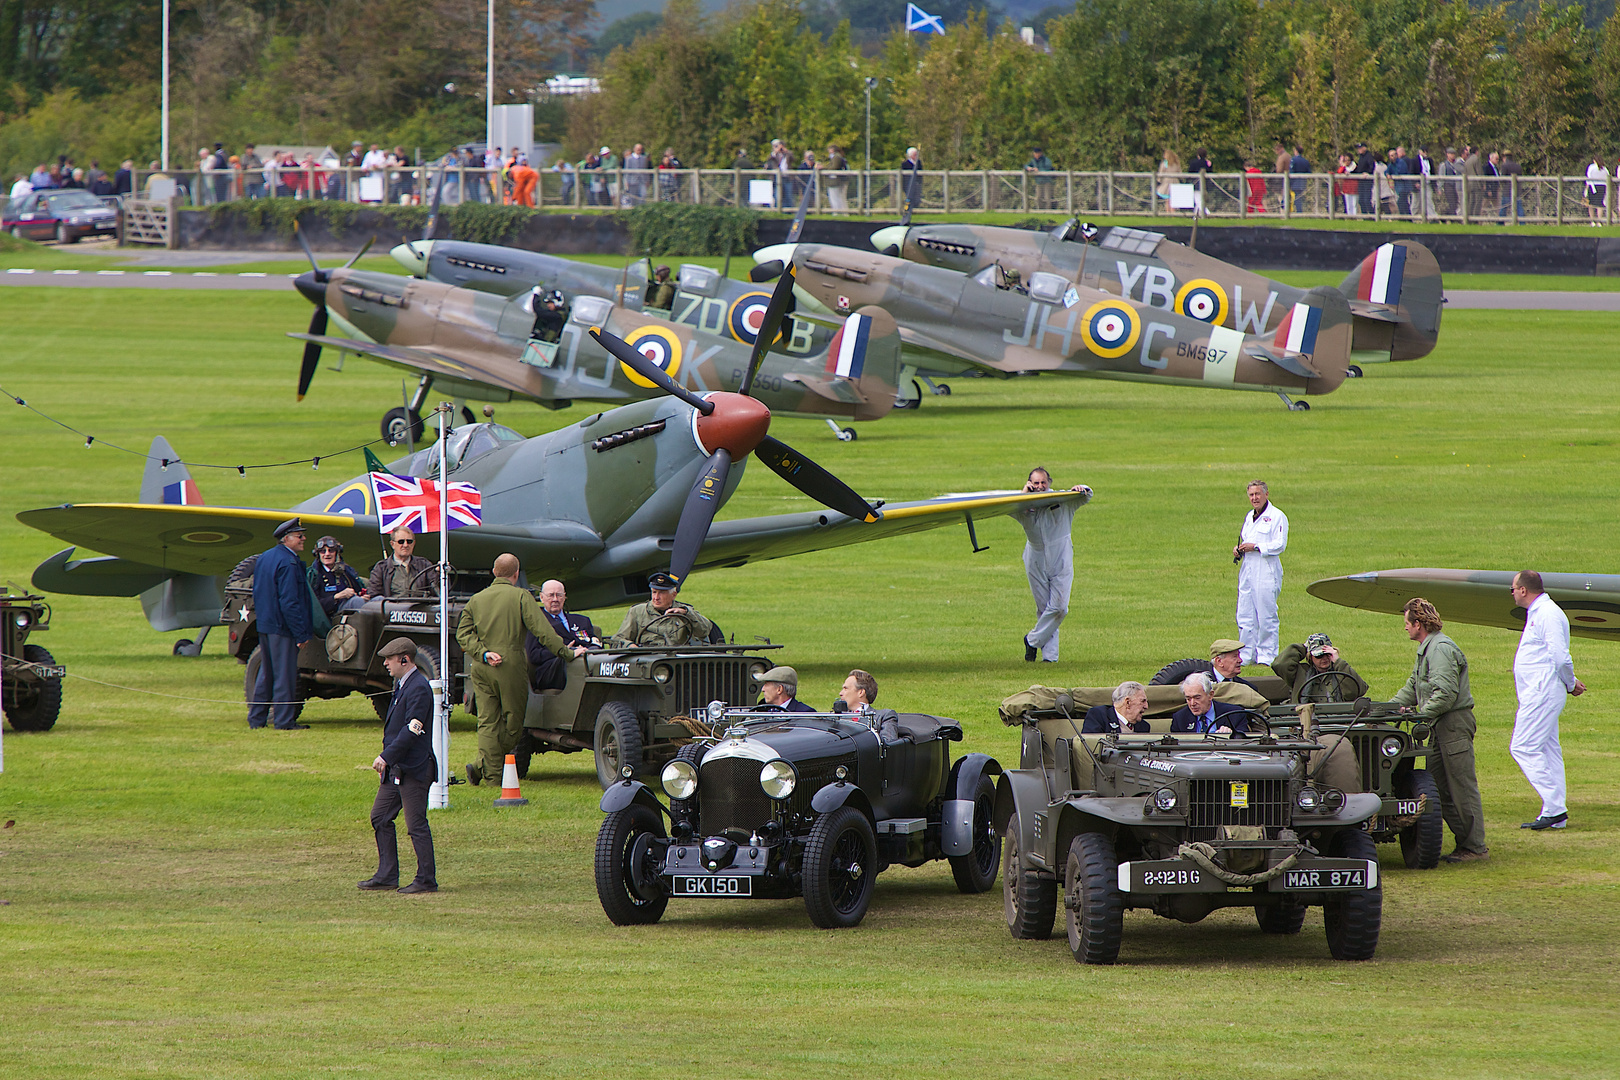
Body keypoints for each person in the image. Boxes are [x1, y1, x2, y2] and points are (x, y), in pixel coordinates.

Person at [456, 553, 582, 786]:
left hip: (481, 666)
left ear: (494, 572)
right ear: (516, 574)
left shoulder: (477, 599)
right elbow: (543, 632)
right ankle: (487, 770)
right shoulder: (521, 597)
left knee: (487, 722)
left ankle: (486, 771)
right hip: (509, 665)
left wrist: (483, 653)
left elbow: (462, 634)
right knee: (514, 724)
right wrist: (567, 653)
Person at [1391, 598, 1486, 863]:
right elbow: (1413, 687)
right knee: (1439, 790)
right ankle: (1465, 844)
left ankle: (1475, 847)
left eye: (1407, 623)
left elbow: (1445, 694)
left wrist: (1419, 714)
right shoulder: (1427, 649)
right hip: (1437, 726)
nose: (1405, 628)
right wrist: (1385, 710)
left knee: (1461, 788)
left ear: (1418, 624)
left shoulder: (1440, 649)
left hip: (1452, 724)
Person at [359, 637, 438, 894]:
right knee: (380, 817)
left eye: (389, 659)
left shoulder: (418, 687)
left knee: (416, 825)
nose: (385, 664)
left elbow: (412, 729)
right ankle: (387, 875)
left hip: (414, 768)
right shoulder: (402, 685)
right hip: (397, 768)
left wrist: (385, 756)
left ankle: (426, 880)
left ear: (404, 659)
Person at [1510, 571, 1585, 831]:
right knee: (1549, 749)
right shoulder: (1539, 612)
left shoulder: (1548, 614)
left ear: (1523, 590)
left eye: (1513, 589)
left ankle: (1554, 807)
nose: (1512, 593)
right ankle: (1557, 813)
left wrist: (1570, 682)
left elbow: (1560, 657)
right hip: (1539, 691)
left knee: (1523, 747)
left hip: (1543, 691)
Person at [1017, 467, 1090, 663]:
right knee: (1044, 609)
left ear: (1049, 482)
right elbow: (1012, 507)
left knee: (1059, 608)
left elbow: (1086, 495)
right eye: (1036, 483)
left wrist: (1080, 487)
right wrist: (1025, 495)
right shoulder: (1022, 506)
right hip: (1035, 558)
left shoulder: (1062, 500)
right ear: (1030, 484)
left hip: (1061, 556)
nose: (1040, 487)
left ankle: (1032, 641)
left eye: (1043, 482)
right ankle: (1050, 658)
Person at [248, 518, 313, 730]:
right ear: (287, 539)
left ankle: (257, 719)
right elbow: (289, 602)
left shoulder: (266, 557)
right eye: (299, 536)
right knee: (285, 675)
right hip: (282, 628)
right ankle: (284, 721)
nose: (304, 539)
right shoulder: (289, 562)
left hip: (266, 625)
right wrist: (301, 633)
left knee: (266, 674)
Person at [1233, 479, 1287, 667]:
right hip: (1248, 569)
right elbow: (1247, 539)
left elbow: (1279, 544)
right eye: (1251, 495)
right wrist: (1239, 549)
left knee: (1266, 614)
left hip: (1266, 571)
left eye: (1257, 494)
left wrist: (1255, 546)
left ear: (1266, 494)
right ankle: (1246, 654)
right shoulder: (1250, 516)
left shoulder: (1277, 516)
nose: (1254, 498)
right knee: (1245, 613)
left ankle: (1267, 656)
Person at [522, 579, 600, 693]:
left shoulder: (582, 621)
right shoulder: (535, 622)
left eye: (559, 595)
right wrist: (566, 652)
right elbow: (534, 655)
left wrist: (585, 651)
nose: (555, 599)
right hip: (551, 670)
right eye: (550, 595)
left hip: (586, 660)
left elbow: (596, 643)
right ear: (542, 598)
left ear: (564, 597)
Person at [613, 571, 712, 647]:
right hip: (647, 660)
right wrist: (630, 646)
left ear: (673, 595)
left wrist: (686, 613)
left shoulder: (684, 611)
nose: (656, 597)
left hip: (674, 659)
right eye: (654, 592)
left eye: (661, 593)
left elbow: (704, 631)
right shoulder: (637, 612)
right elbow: (618, 639)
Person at [1272, 632, 1369, 703]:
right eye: (1319, 656)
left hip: (1339, 718)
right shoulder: (1301, 672)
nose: (1324, 658)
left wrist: (1338, 662)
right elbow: (1280, 664)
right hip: (1307, 718)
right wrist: (1304, 647)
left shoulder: (1341, 670)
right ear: (1310, 657)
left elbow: (1356, 691)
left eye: (1328, 654)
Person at [308, 535, 368, 617]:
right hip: (332, 615)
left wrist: (363, 596)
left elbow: (358, 589)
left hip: (350, 608)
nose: (327, 554)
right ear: (317, 554)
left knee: (378, 600)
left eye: (331, 550)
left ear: (337, 553)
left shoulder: (346, 570)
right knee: (356, 601)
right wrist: (337, 597)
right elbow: (313, 605)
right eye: (323, 551)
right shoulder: (314, 576)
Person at [1170, 672, 1248, 735]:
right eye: (1188, 699)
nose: (1192, 703)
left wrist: (1232, 736)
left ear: (1210, 695)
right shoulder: (1180, 719)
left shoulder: (1235, 714)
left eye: (1197, 698)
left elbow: (1245, 743)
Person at [368, 528, 435, 597]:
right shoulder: (381, 568)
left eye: (409, 541)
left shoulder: (424, 565)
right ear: (392, 544)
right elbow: (374, 595)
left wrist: (440, 574)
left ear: (414, 543)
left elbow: (437, 591)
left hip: (420, 607)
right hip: (392, 607)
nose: (405, 545)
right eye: (401, 542)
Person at [1082, 681, 1151, 734]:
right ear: (1128, 703)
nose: (1146, 706)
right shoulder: (1098, 716)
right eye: (1143, 701)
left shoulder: (1144, 727)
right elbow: (1091, 746)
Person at [1025, 147, 1056, 211]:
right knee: (1038, 197)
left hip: (1047, 181)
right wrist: (1029, 168)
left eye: (1038, 153)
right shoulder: (1033, 160)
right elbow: (1025, 165)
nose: (1036, 155)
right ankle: (1040, 210)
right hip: (1039, 182)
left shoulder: (1046, 160)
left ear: (1040, 153)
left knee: (1047, 198)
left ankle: (1048, 210)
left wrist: (1038, 170)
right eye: (1035, 153)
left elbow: (1048, 168)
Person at [824, 144, 848, 211]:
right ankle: (838, 211)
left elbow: (834, 167)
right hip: (835, 180)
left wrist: (824, 168)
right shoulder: (835, 157)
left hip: (835, 180)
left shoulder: (836, 157)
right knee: (836, 197)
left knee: (836, 197)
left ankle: (837, 211)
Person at [1585, 153, 1607, 225]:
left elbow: (1588, 178)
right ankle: (1599, 221)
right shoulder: (1604, 168)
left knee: (1591, 204)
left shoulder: (1591, 167)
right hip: (1602, 187)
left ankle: (1592, 220)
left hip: (1593, 186)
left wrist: (1586, 188)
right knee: (1599, 204)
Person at [1288, 145, 1310, 214]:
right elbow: (1309, 172)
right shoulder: (1306, 161)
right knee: (1299, 197)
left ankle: (1299, 212)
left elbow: (1291, 171)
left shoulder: (1294, 160)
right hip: (1303, 182)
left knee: (1296, 198)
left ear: (1296, 151)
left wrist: (1290, 182)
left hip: (1295, 182)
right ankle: (1299, 211)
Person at [901, 146, 923, 211]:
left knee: (917, 199)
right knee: (909, 198)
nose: (916, 156)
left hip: (916, 184)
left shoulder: (918, 163)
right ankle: (908, 209)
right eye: (914, 155)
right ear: (910, 155)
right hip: (908, 184)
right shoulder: (905, 164)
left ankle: (916, 210)